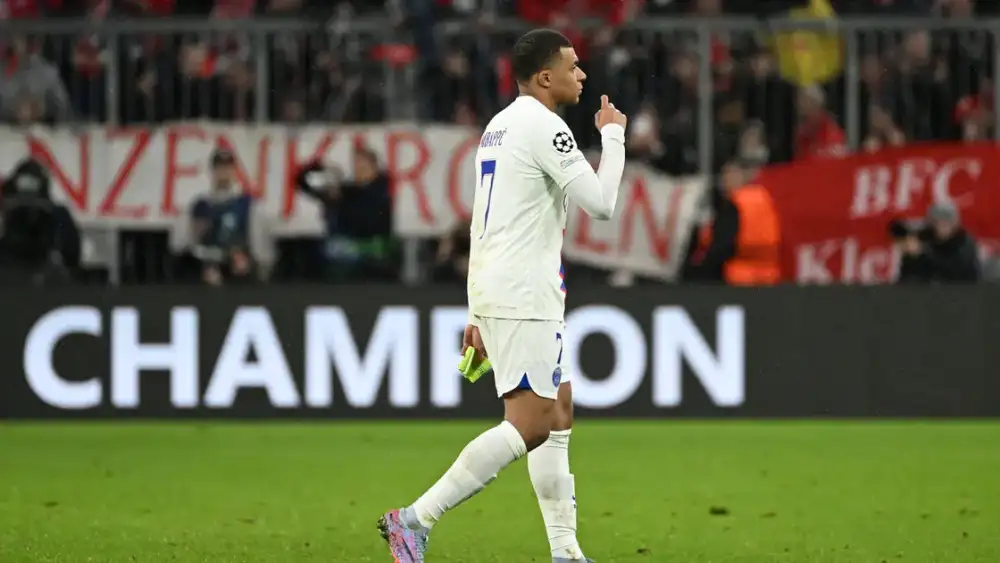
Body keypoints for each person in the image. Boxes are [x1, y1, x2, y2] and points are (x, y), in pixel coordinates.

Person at [378, 28, 628, 563]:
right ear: (545, 77)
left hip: (507, 287)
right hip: (523, 293)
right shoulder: (546, 126)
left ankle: (565, 551)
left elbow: (483, 223)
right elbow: (602, 204)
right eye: (572, 66)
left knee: (558, 411)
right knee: (530, 424)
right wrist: (612, 138)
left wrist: (476, 308)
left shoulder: (498, 127)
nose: (582, 74)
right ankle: (414, 520)